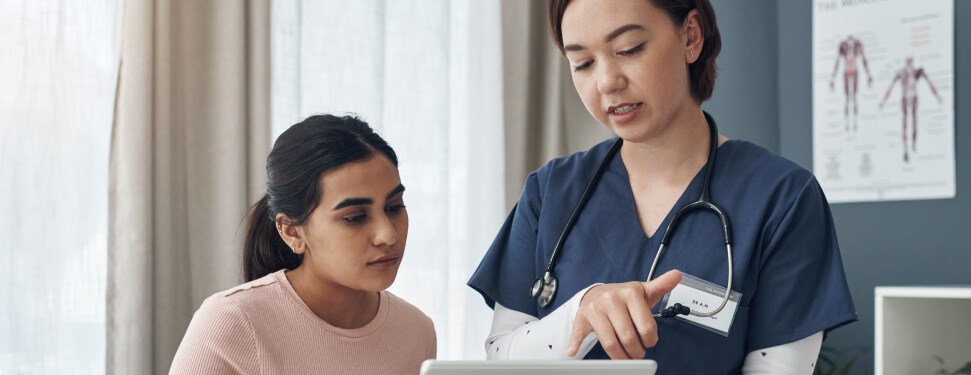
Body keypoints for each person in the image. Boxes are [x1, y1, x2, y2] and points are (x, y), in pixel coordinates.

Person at [468, 0, 857, 374]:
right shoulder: (550, 192)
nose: (606, 82)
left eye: (629, 49)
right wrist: (581, 310)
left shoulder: (782, 199)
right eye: (582, 63)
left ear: (690, 37)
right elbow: (501, 357)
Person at [170, 115, 436, 374]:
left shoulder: (416, 331)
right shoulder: (232, 322)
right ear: (292, 232)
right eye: (355, 217)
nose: (388, 236)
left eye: (394, 207)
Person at [879, 57, 941, 162]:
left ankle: (913, 145)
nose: (909, 64)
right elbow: (891, 86)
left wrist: (937, 96)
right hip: (906, 98)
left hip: (913, 97)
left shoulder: (917, 72)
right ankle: (906, 150)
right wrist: (883, 101)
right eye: (908, 62)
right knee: (905, 123)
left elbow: (929, 83)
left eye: (911, 61)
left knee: (914, 122)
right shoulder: (901, 73)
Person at [830, 36, 872, 131]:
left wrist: (868, 74)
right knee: (847, 99)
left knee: (854, 98)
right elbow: (837, 61)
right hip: (846, 72)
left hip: (854, 71)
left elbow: (863, 59)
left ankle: (855, 123)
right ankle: (847, 123)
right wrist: (833, 78)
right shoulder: (843, 45)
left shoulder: (857, 44)